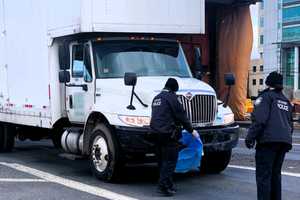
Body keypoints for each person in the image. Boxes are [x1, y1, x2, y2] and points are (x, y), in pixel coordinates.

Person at [245, 71, 293, 200]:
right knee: (275, 175)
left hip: (268, 142)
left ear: (268, 83)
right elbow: (290, 124)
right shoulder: (286, 101)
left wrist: (250, 137)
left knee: (264, 176)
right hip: (284, 142)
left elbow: (260, 120)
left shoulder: (265, 97)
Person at [150, 78, 199, 196]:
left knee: (162, 161)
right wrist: (191, 131)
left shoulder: (156, 98)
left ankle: (168, 185)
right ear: (173, 89)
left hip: (155, 134)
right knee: (170, 161)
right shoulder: (172, 98)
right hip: (168, 135)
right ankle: (162, 187)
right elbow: (182, 116)